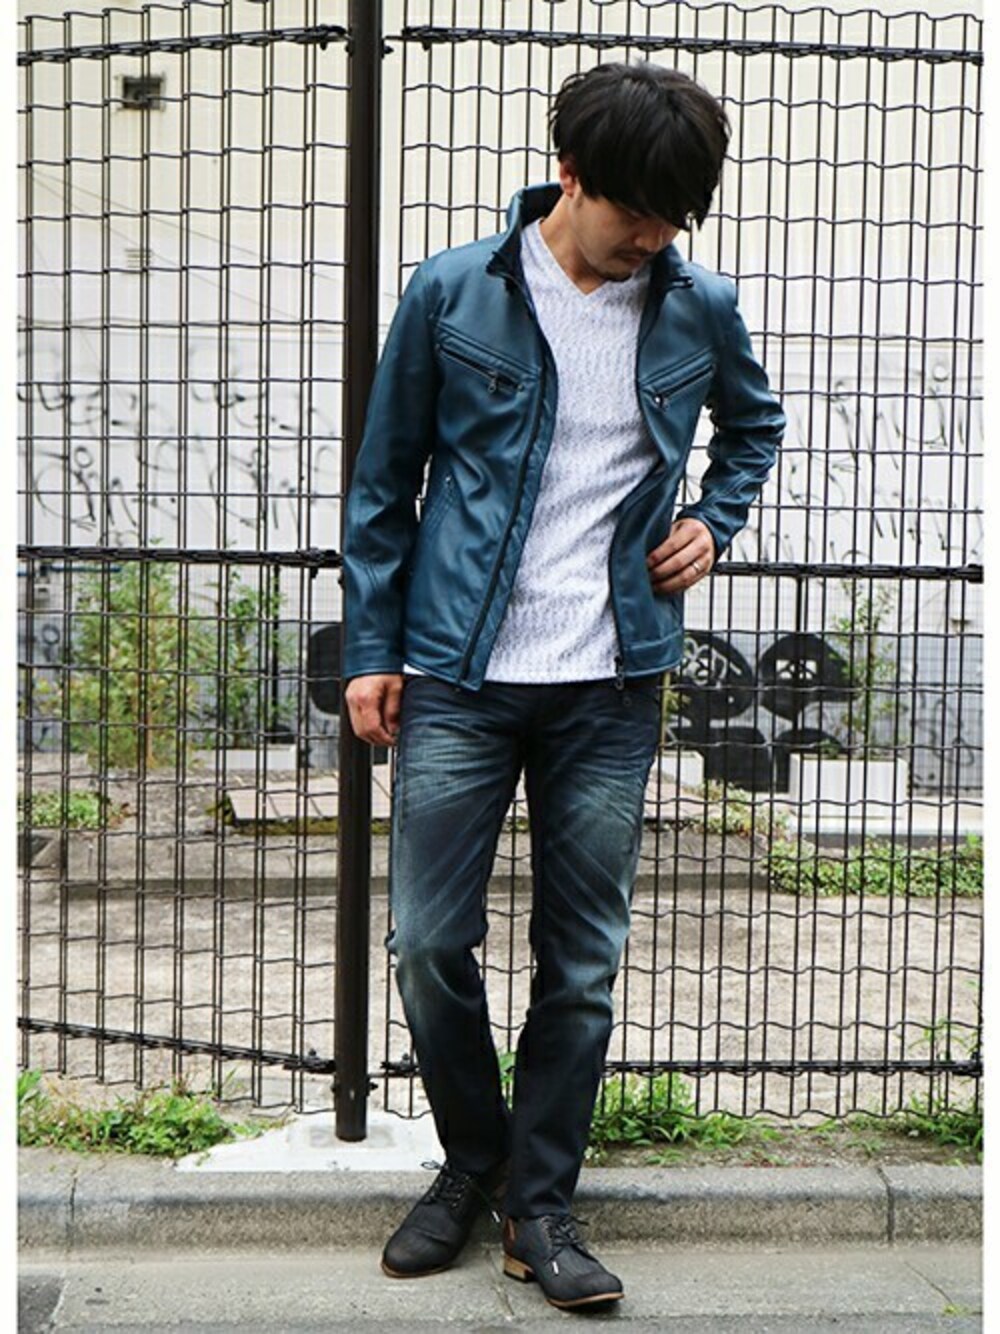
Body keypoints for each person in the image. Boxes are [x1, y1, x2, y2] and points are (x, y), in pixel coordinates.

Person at [341, 61, 785, 1311]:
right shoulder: (452, 292)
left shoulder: (698, 306)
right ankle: (472, 1160)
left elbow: (754, 427)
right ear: (571, 175)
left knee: (581, 962)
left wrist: (713, 521)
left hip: (612, 681)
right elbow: (383, 483)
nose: (654, 236)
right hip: (460, 671)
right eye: (636, 210)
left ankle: (539, 1204)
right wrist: (373, 646)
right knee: (428, 941)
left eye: (675, 217)